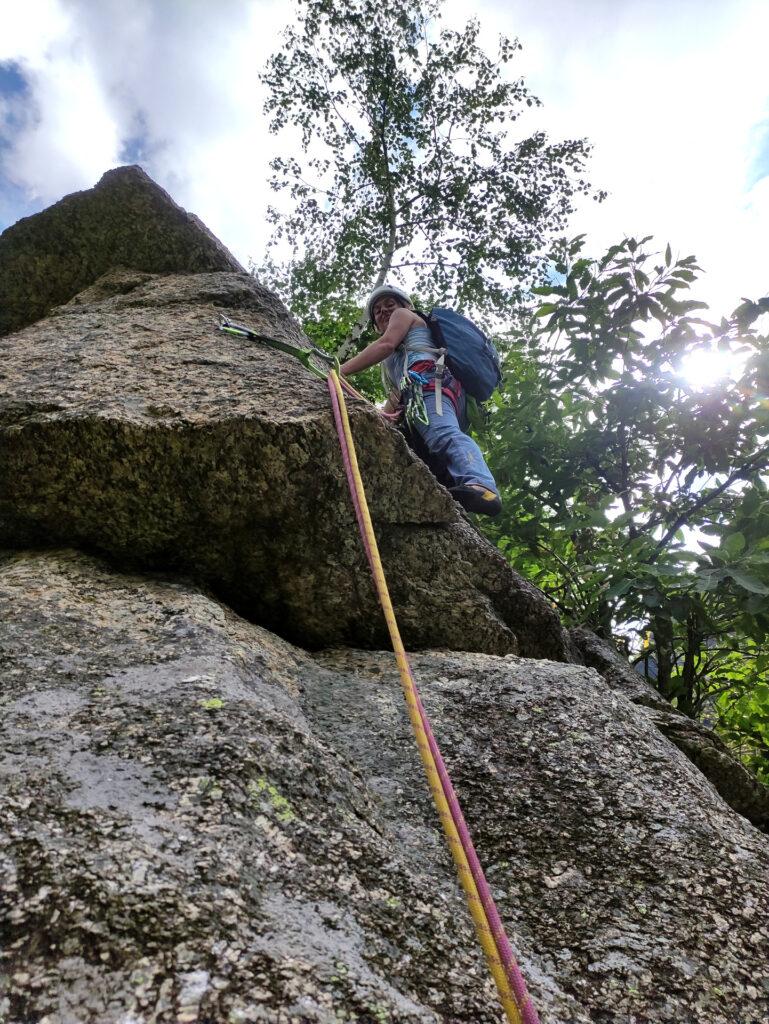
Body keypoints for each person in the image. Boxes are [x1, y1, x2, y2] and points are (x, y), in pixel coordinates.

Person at [340, 284, 502, 516]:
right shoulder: (398, 359)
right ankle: (458, 497)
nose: (384, 311)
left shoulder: (404, 317)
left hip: (430, 383)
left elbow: (385, 345)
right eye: (377, 310)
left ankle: (483, 486)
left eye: (390, 304)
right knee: (431, 453)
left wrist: (337, 371)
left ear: (405, 307)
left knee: (442, 433)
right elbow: (395, 400)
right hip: (424, 392)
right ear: (375, 324)